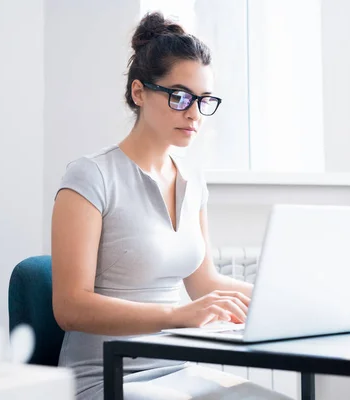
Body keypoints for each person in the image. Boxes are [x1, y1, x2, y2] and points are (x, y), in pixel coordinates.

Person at [51, 11, 291, 400]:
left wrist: (284, 295)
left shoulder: (193, 182)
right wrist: (175, 317)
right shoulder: (90, 177)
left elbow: (205, 284)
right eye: (180, 96)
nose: (194, 113)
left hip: (175, 368)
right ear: (139, 93)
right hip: (105, 376)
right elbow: (69, 307)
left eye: (203, 100)